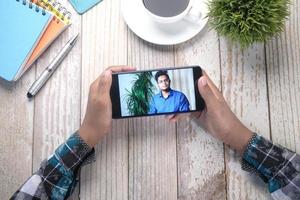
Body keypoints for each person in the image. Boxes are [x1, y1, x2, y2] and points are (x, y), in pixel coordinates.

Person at [11, 66, 300, 200]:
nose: (162, 82)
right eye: (159, 79)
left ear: (168, 81)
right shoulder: (151, 100)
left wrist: (86, 136)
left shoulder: (180, 99)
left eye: (164, 79)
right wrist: (240, 137)